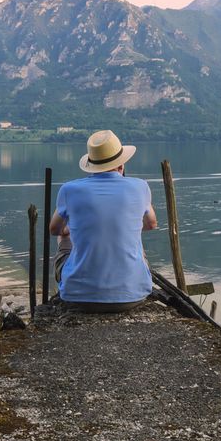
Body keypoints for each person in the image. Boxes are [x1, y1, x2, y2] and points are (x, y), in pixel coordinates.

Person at [49, 129, 159, 312]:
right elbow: (151, 224)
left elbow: (54, 230)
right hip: (133, 296)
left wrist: (72, 230)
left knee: (64, 238)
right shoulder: (140, 186)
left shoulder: (69, 189)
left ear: (91, 165)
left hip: (79, 298)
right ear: (121, 164)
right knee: (135, 240)